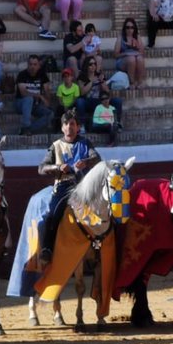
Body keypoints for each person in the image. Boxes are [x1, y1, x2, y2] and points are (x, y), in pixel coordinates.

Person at [37, 111, 101, 263]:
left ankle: (98, 247)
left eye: (72, 124)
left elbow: (97, 158)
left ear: (78, 127)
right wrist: (58, 167)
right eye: (66, 124)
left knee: (101, 211)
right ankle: (47, 248)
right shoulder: (56, 146)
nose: (69, 127)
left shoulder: (85, 143)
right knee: (53, 214)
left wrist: (85, 161)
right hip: (64, 184)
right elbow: (41, 168)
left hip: (85, 185)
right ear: (62, 128)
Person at [14, 53, 54, 135]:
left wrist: (47, 102)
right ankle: (26, 125)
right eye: (30, 64)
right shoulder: (22, 75)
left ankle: (28, 129)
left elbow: (47, 91)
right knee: (29, 99)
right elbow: (23, 93)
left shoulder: (42, 75)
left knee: (50, 114)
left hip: (35, 106)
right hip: (21, 104)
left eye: (35, 64)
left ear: (39, 65)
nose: (32, 67)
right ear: (27, 65)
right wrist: (38, 95)